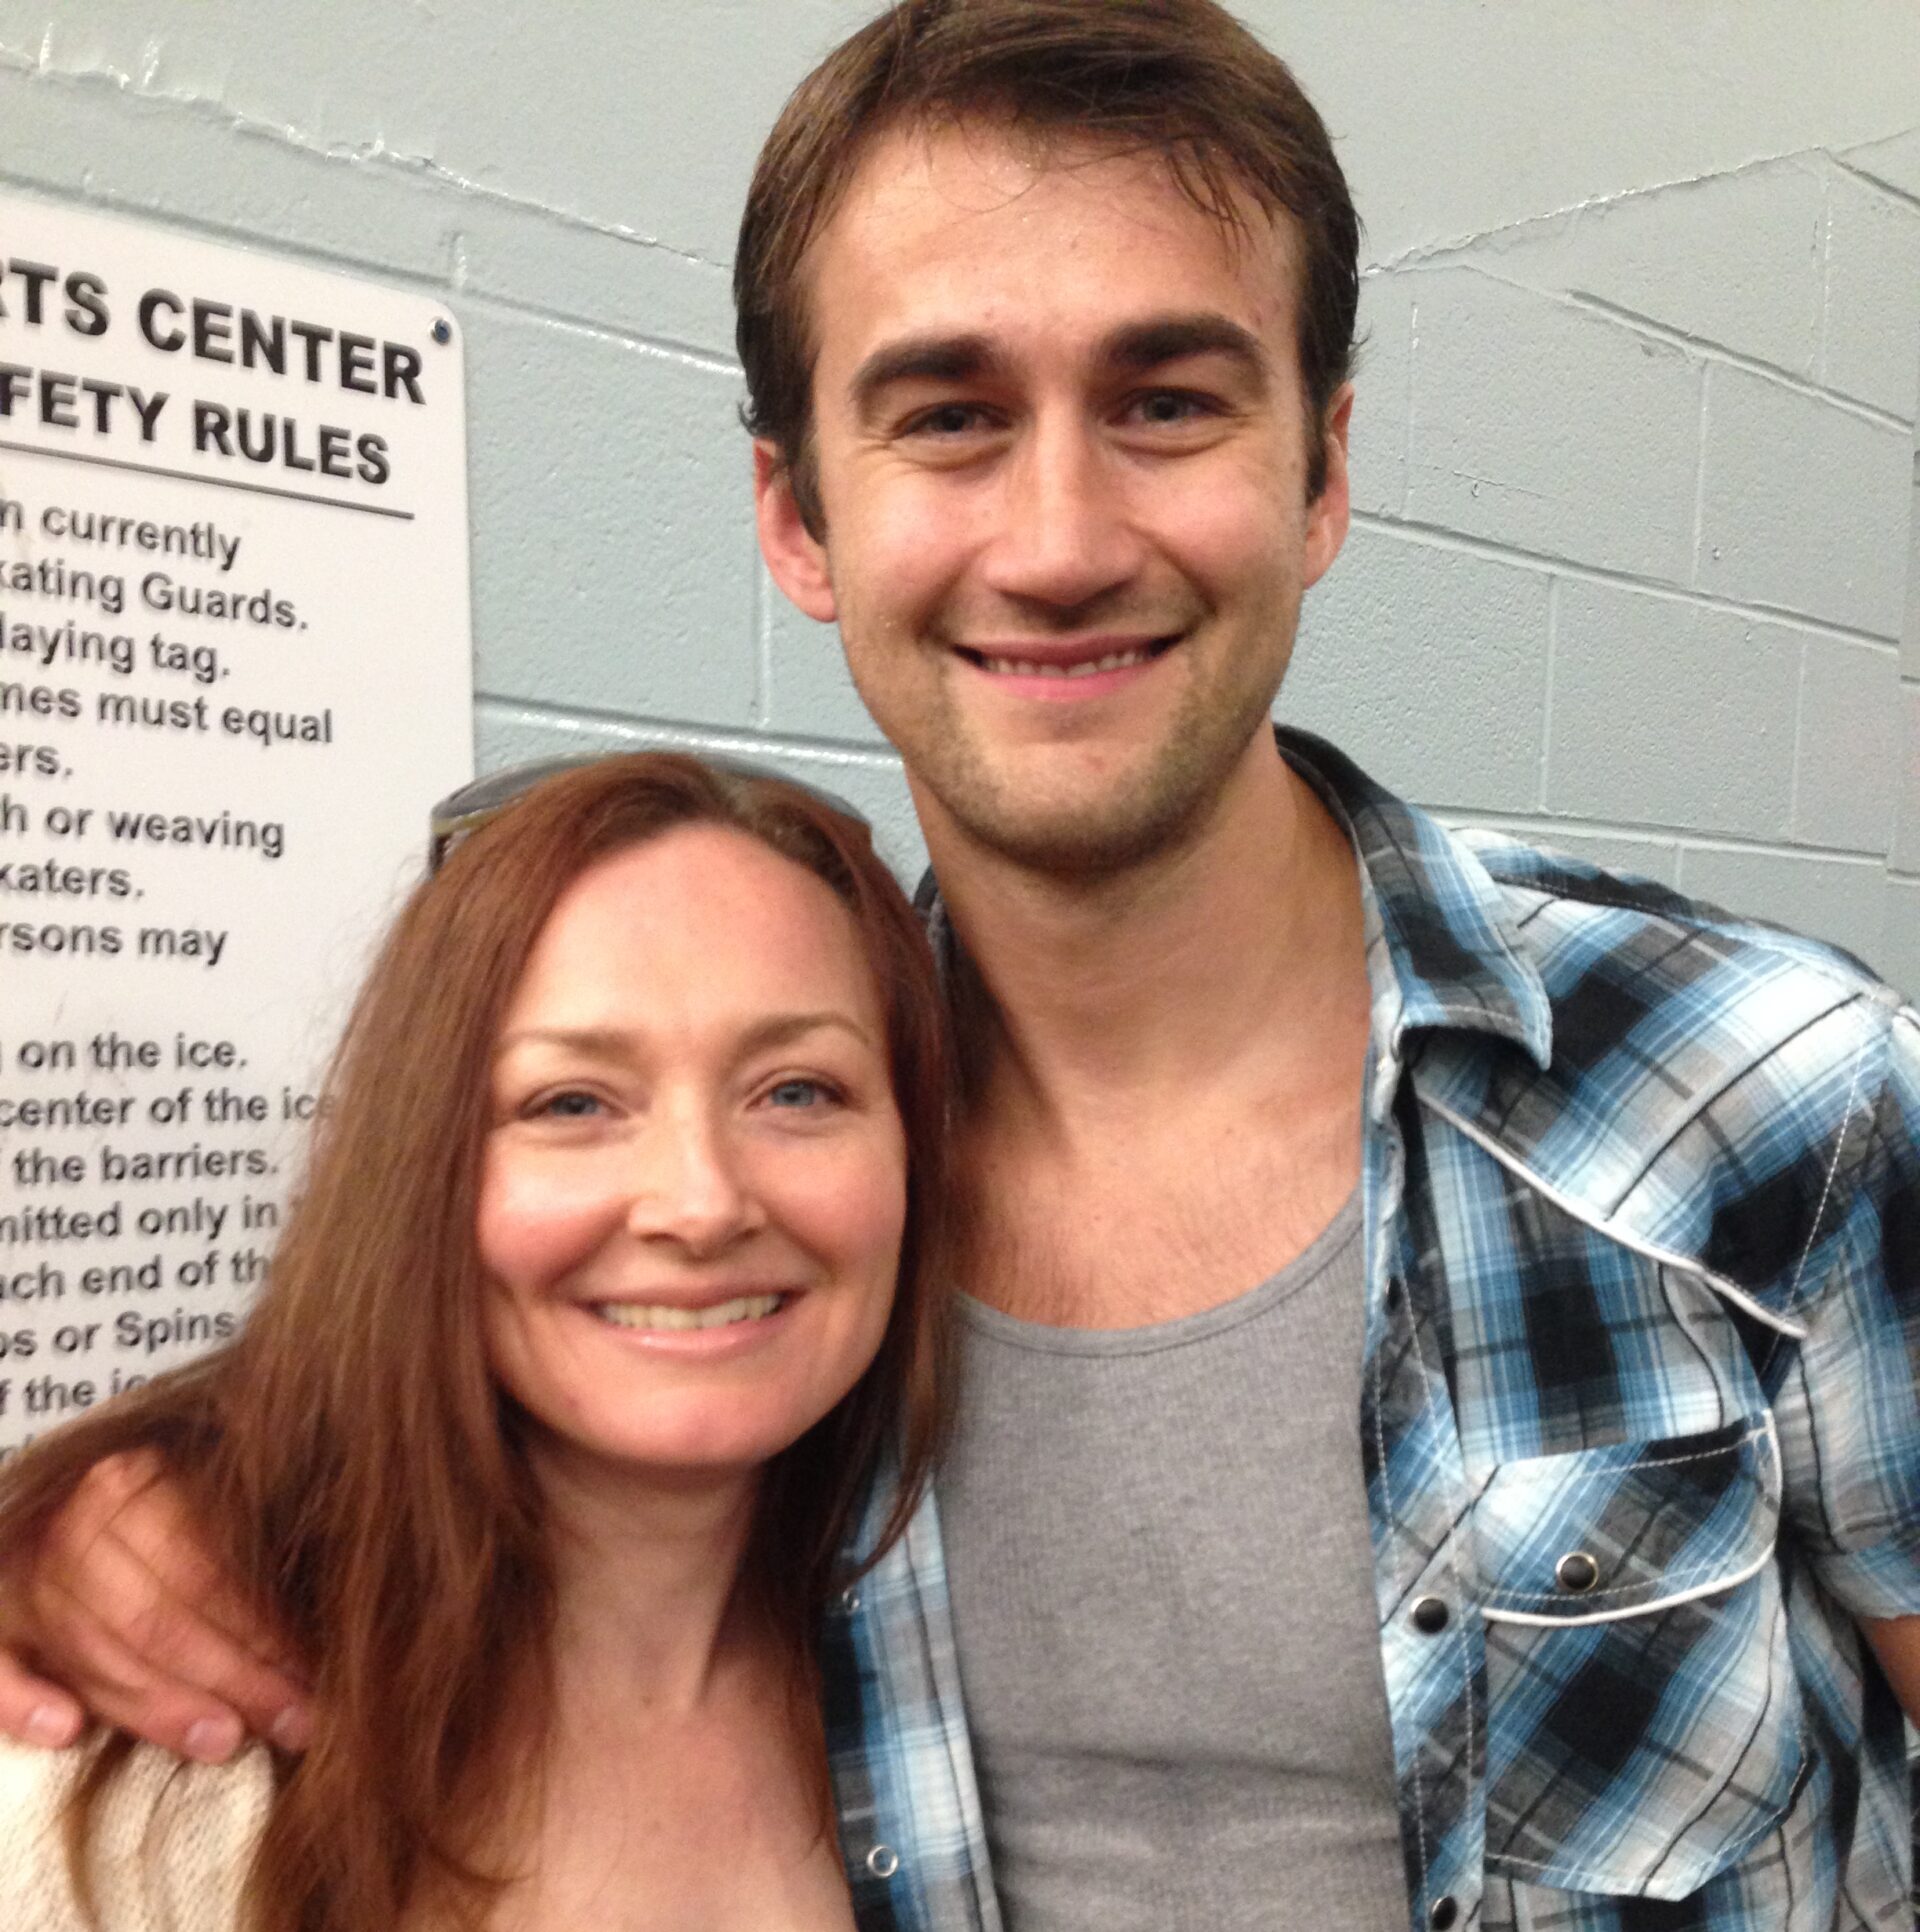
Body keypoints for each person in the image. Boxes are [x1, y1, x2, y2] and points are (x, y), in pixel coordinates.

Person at [6, 3, 1920, 1929]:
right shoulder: (800, 1219)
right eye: (948, 416)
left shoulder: (1765, 1094)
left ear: (1321, 472)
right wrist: (137, 1502)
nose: (1062, 539)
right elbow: (471, 1403)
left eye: (1168, 400)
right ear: (796, 515)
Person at [0, 752, 975, 1930]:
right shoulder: (129, 1769)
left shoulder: (961, 1672)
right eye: (572, 1103)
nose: (703, 1202)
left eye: (799, 1092)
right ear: (426, 1171)